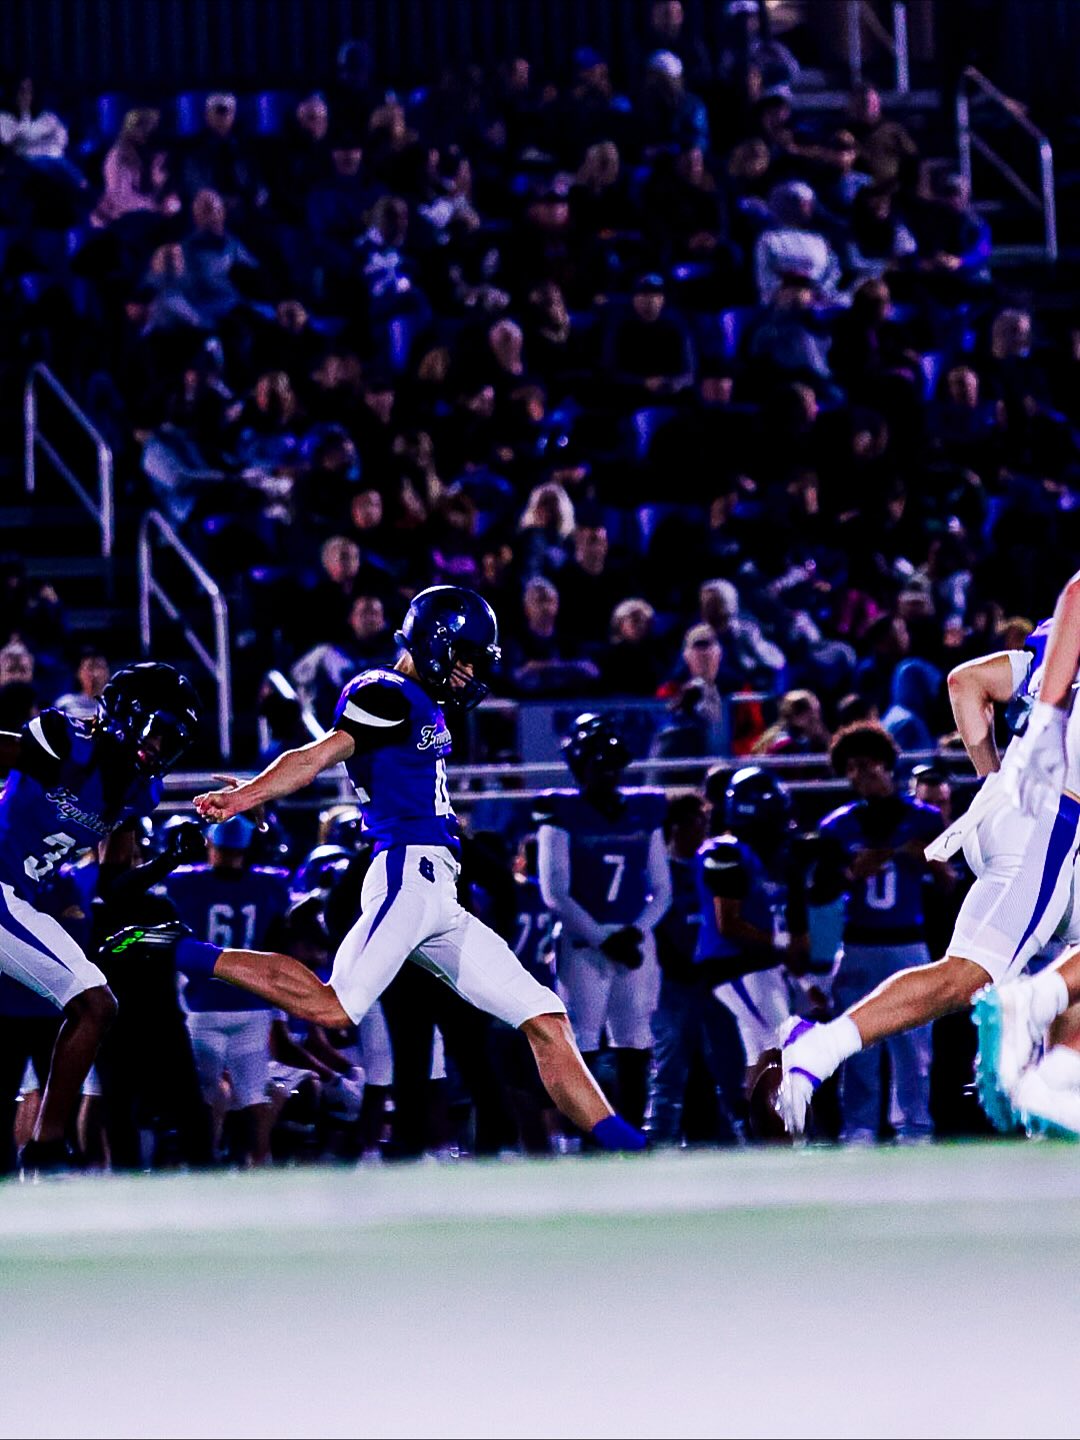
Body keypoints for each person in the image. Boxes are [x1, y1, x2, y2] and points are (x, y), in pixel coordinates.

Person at [108, 587, 647, 1151]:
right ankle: (173, 945)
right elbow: (319, 755)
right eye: (465, 656)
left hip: (440, 889)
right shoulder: (384, 691)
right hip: (405, 872)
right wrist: (247, 795)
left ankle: (628, 1148)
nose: (469, 672)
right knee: (334, 1006)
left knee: (546, 1018)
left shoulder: (419, 700)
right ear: (437, 644)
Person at [776, 615, 1080, 1135]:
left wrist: (993, 779)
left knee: (1030, 972)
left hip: (1021, 815)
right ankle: (1032, 1010)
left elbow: (964, 683)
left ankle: (1058, 1074)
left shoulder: (1041, 663)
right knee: (967, 976)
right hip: (1050, 822)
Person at [0, 662, 201, 1171]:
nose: (161, 751)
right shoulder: (67, 743)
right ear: (128, 717)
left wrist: (168, 860)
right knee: (94, 1002)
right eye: (159, 734)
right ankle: (45, 1149)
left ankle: (46, 1148)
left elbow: (113, 887)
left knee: (96, 1005)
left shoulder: (136, 792)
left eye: (172, 742)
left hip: (18, 895)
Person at [536, 713, 672, 1130]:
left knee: (635, 1036)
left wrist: (636, 930)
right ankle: (586, 1130)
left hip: (630, 938)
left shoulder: (644, 810)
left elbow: (662, 887)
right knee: (584, 1037)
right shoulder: (561, 813)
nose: (608, 772)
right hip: (585, 941)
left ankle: (630, 1126)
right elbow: (554, 890)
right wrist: (602, 937)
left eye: (612, 763)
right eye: (599, 764)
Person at [813, 723, 944, 1142]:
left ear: (886, 765)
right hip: (859, 943)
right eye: (850, 768)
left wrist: (922, 858)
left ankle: (914, 1125)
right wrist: (853, 872)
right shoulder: (837, 825)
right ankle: (860, 1128)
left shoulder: (923, 818)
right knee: (858, 1043)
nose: (859, 775)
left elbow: (948, 882)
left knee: (914, 1045)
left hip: (907, 941)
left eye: (866, 765)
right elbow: (823, 891)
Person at [162, 815, 294, 1166]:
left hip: (203, 1003)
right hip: (252, 1000)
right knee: (253, 1095)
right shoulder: (270, 885)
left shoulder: (184, 884)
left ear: (211, 843)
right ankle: (258, 1162)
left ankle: (205, 1162)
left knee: (205, 1094)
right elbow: (278, 941)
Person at [694, 766, 808, 1106]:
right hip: (734, 964)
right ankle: (777, 1124)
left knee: (761, 1047)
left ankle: (766, 1133)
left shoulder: (767, 855)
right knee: (783, 1040)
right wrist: (784, 944)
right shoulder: (725, 852)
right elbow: (729, 924)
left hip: (761, 964)